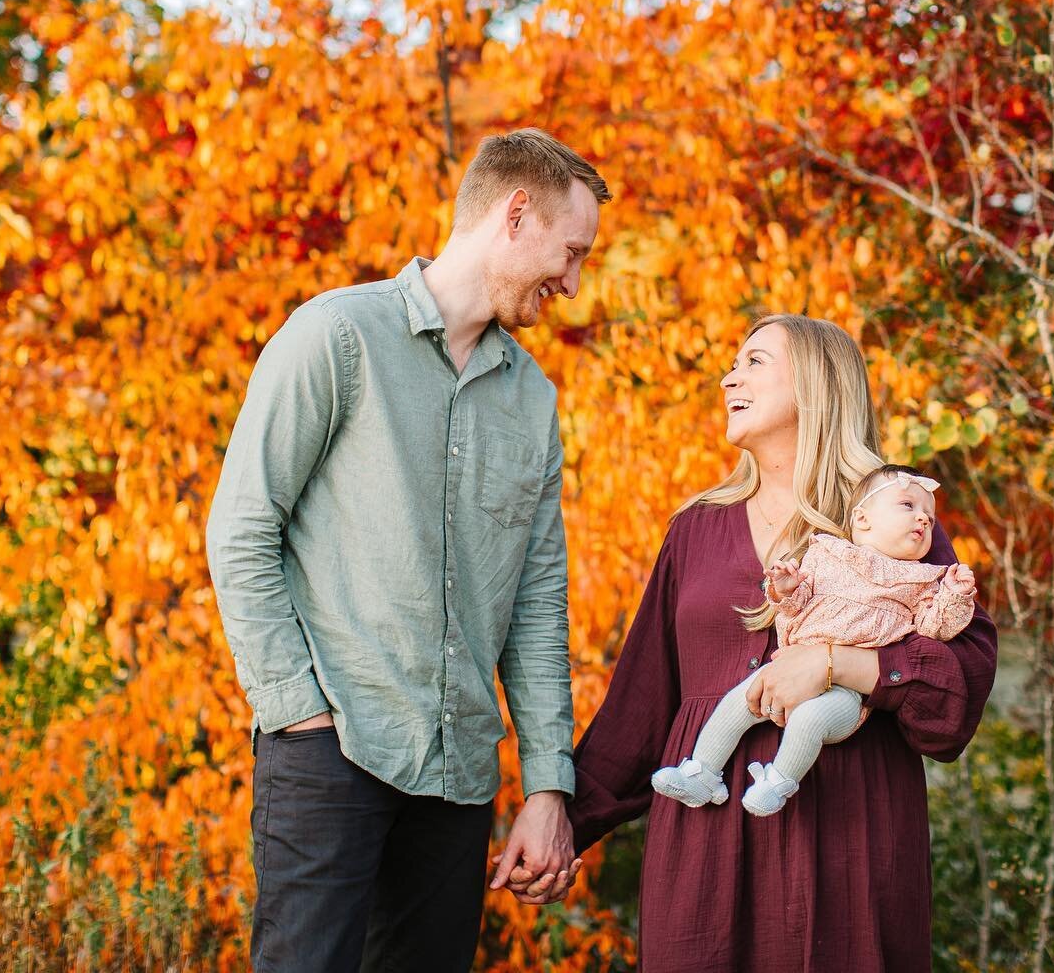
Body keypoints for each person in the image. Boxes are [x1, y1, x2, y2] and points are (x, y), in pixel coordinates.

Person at [205, 128, 608, 973]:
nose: (572, 284)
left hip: (459, 775)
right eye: (569, 254)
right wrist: (297, 712)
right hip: (332, 746)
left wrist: (547, 786)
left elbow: (537, 606)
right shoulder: (337, 337)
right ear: (516, 213)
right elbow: (242, 530)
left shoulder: (532, 401)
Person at [533, 313, 998, 973]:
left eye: (754, 362)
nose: (730, 378)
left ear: (816, 385)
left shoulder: (892, 516)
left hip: (847, 843)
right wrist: (560, 825)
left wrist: (842, 664)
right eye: (733, 363)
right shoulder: (694, 530)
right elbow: (639, 710)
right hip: (704, 861)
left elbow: (962, 682)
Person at [650, 464, 977, 817]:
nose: (924, 519)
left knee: (811, 720)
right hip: (790, 663)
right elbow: (796, 606)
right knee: (739, 701)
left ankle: (777, 782)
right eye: (908, 506)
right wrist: (785, 589)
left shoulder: (922, 580)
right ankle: (702, 771)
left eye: (929, 515)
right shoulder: (827, 554)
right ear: (863, 519)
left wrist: (955, 597)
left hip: (846, 691)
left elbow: (934, 629)